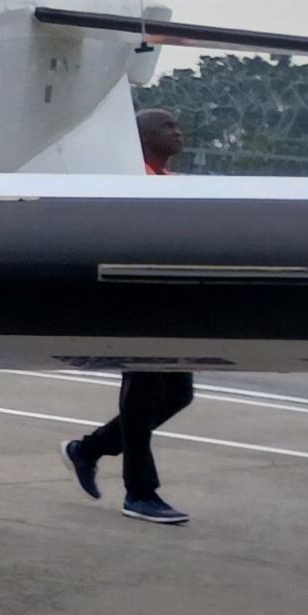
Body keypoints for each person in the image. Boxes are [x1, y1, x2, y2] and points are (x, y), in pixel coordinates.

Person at [67, 110, 196, 525]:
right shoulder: (128, 177)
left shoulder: (170, 181)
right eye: (166, 125)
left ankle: (87, 450)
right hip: (136, 302)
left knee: (178, 394)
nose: (177, 130)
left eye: (177, 124)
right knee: (143, 395)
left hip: (169, 303)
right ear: (139, 137)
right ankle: (139, 493)